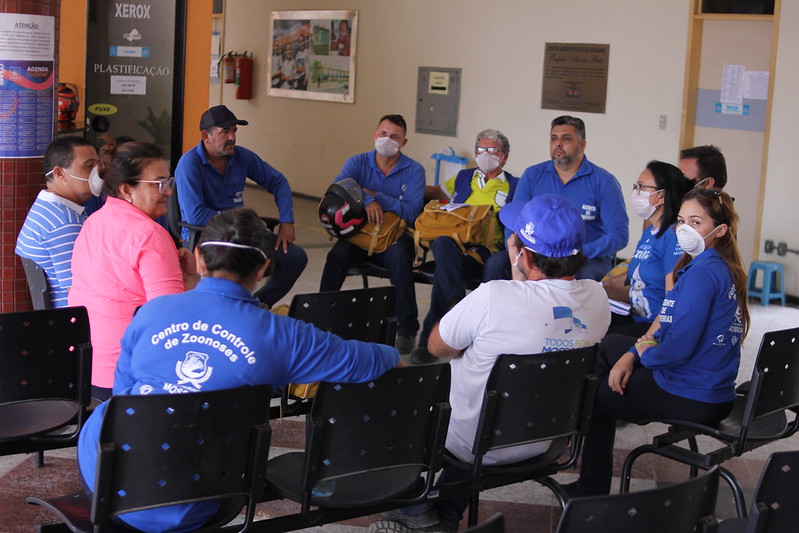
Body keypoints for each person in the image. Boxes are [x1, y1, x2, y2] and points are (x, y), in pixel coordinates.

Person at [77, 207, 399, 533]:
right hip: (198, 499)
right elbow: (358, 361)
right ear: (262, 269)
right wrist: (390, 354)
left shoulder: (150, 312)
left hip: (107, 478)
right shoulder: (281, 335)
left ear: (200, 259)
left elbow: (121, 393)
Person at [369, 195, 610, 533]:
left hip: (475, 441)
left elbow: (437, 345)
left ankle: (412, 503)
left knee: (383, 390)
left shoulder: (495, 296)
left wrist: (513, 282)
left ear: (523, 252)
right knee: (485, 397)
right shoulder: (598, 298)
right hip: (546, 439)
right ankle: (445, 515)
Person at [566, 187, 749, 497]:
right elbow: (668, 321)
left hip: (693, 395)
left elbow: (675, 349)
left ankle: (588, 481)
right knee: (609, 346)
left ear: (719, 230)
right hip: (711, 388)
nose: (685, 229)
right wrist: (631, 354)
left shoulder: (701, 275)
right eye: (681, 220)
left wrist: (641, 356)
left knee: (596, 395)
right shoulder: (716, 266)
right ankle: (580, 418)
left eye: (696, 222)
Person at [68, 142, 199, 401]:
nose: (168, 192)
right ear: (127, 189)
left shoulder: (93, 222)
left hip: (87, 370)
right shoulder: (150, 234)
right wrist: (192, 280)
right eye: (158, 184)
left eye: (168, 182)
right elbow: (170, 322)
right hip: (131, 377)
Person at [175, 105, 307, 308]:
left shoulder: (242, 157)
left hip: (242, 234)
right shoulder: (189, 164)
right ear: (206, 136)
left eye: (234, 131)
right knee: (235, 269)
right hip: (205, 237)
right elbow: (195, 215)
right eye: (224, 132)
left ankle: (256, 305)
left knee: (296, 258)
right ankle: (228, 312)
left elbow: (278, 182)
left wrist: (287, 221)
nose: (232, 137)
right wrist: (242, 221)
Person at [410, 129, 519, 364]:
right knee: (442, 243)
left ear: (505, 157)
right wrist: (409, 186)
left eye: (492, 150)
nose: (484, 154)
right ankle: (455, 300)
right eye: (480, 149)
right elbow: (437, 193)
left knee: (444, 273)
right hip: (454, 245)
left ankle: (427, 342)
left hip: (485, 252)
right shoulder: (463, 177)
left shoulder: (514, 186)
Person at [319, 114, 425, 354]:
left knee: (400, 260)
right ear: (374, 135)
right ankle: (321, 317)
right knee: (336, 256)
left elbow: (411, 211)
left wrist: (377, 197)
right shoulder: (357, 162)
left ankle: (407, 329)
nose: (387, 140)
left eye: (394, 136)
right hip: (360, 235)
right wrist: (365, 199)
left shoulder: (414, 170)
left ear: (404, 142)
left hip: (394, 237)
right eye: (383, 133)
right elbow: (336, 189)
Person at [483, 115, 628, 282]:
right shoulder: (532, 175)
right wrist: (519, 251)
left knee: (587, 275)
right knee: (496, 264)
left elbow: (619, 235)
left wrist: (578, 253)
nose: (558, 144)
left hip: (583, 258)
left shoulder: (604, 181)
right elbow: (514, 224)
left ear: (582, 145)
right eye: (554, 138)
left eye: (566, 139)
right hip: (535, 254)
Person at [603, 161, 692, 338]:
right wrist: (596, 289)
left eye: (642, 187)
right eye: (636, 186)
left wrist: (648, 339)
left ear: (661, 196)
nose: (636, 192)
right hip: (634, 316)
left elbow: (673, 296)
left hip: (653, 328)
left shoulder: (673, 236)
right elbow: (632, 283)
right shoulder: (649, 233)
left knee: (602, 342)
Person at [16, 136, 101, 308]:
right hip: (73, 322)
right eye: (89, 166)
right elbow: (79, 291)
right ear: (60, 173)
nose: (97, 174)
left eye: (98, 166)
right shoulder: (64, 223)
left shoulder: (47, 208)